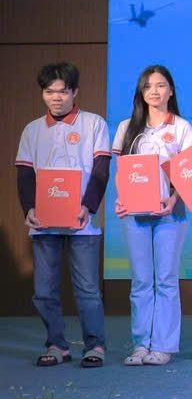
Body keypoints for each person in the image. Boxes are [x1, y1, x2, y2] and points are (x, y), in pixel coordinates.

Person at [15, 62, 111, 367]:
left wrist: (88, 207)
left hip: (83, 222)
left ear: (75, 92)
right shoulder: (32, 130)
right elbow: (25, 174)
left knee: (88, 290)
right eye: (49, 91)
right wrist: (29, 208)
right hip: (44, 223)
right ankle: (57, 345)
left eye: (63, 91)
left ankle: (95, 346)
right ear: (43, 93)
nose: (56, 97)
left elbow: (101, 170)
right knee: (44, 291)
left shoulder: (94, 124)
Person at [112, 64, 192, 366]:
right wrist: (121, 198)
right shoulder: (127, 127)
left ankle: (163, 346)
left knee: (167, 280)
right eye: (147, 86)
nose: (154, 91)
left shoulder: (182, 127)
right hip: (134, 214)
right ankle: (140, 345)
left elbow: (188, 172)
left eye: (160, 85)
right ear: (141, 92)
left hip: (170, 213)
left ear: (171, 91)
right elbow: (121, 172)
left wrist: (173, 199)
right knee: (142, 281)